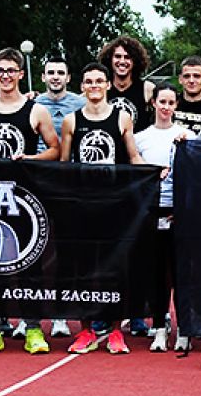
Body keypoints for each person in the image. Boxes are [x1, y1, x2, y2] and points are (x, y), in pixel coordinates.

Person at [0, 47, 61, 355]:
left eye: (11, 70)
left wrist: (31, 159)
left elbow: (55, 149)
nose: (5, 76)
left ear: (21, 74)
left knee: (29, 263)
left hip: (25, 199)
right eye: (0, 71)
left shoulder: (36, 111)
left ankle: (33, 328)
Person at [59, 62, 146, 355]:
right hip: (83, 205)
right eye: (89, 81)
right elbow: (64, 164)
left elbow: (133, 157)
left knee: (116, 267)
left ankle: (115, 330)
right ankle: (86, 330)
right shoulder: (71, 121)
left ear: (108, 85)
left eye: (99, 81)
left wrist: (153, 171)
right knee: (82, 268)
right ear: (82, 86)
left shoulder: (122, 118)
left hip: (116, 204)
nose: (94, 86)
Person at [22, 56, 85, 340]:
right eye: (51, 72)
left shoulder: (80, 104)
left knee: (63, 249)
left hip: (67, 183)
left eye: (61, 72)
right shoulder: (32, 104)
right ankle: (27, 315)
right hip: (34, 179)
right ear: (43, 76)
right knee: (31, 248)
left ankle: (61, 315)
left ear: (68, 77)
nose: (56, 77)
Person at [134, 82, 196, 353]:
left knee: (182, 274)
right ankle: (159, 327)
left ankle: (184, 329)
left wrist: (183, 210)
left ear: (176, 105)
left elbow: (195, 177)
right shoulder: (141, 138)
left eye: (171, 103)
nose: (166, 107)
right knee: (158, 275)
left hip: (179, 214)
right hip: (151, 213)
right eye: (162, 102)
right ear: (154, 103)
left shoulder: (188, 135)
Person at [97, 35, 155, 132]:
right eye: (117, 56)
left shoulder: (147, 89)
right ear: (110, 59)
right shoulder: (101, 87)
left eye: (127, 57)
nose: (122, 61)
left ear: (135, 61)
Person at [171, 55, 201, 135]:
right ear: (180, 79)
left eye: (197, 76)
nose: (191, 80)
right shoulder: (169, 105)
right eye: (187, 76)